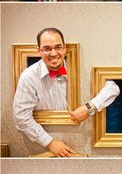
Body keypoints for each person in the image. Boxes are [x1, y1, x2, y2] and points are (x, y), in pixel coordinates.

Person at [13, 27, 76, 157]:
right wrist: (50, 142)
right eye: (47, 49)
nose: (53, 53)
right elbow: (20, 117)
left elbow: (111, 87)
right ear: (39, 51)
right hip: (42, 150)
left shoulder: (78, 69)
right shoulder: (29, 76)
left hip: (79, 144)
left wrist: (90, 107)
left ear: (64, 48)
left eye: (58, 47)